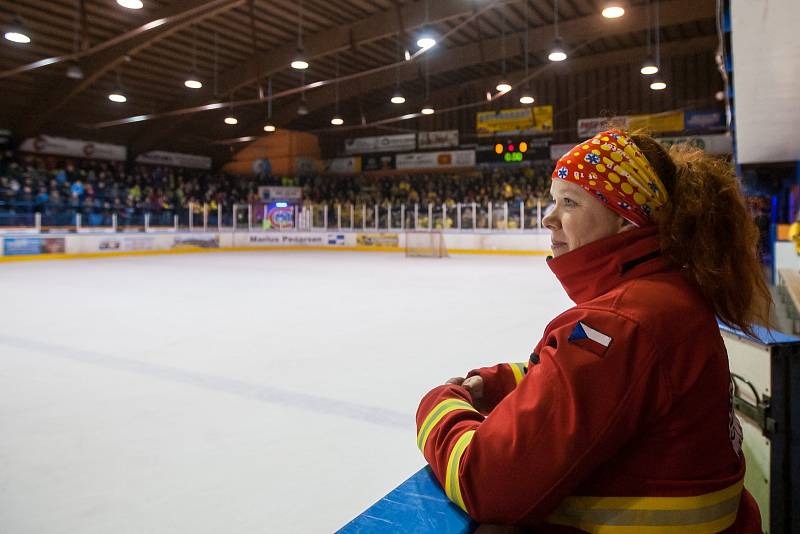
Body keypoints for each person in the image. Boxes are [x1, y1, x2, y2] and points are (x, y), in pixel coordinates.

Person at [415, 129, 770, 533]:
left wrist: (440, 403)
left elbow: (486, 480)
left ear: (624, 218)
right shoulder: (668, 292)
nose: (548, 218)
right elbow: (606, 390)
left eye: (569, 202)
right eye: (553, 201)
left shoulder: (618, 322)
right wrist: (498, 383)